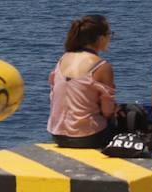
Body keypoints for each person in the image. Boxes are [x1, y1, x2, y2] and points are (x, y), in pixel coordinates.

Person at [47, 14, 117, 148]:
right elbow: (108, 111)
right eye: (109, 34)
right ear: (101, 38)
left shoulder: (63, 59)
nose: (110, 38)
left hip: (58, 135)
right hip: (88, 136)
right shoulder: (102, 66)